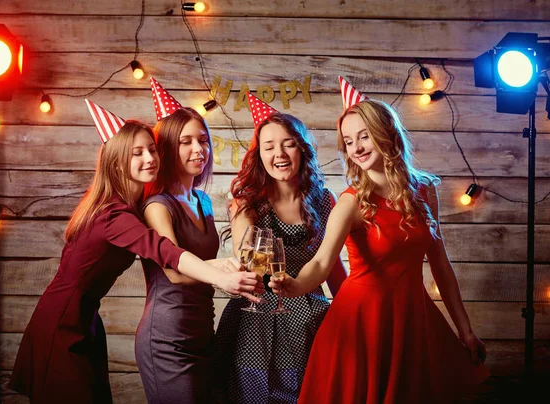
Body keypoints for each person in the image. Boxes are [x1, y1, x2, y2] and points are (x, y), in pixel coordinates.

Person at [8, 100, 261, 404]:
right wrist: (223, 276)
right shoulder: (113, 215)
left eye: (151, 150)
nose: (149, 158)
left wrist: (224, 263)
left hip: (87, 319)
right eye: (136, 153)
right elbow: (167, 253)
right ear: (116, 163)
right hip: (61, 323)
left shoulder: (131, 207)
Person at [271, 78, 490, 403]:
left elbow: (441, 265)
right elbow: (320, 262)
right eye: (348, 140)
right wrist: (294, 285)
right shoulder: (351, 202)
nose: (356, 147)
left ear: (387, 132)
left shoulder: (425, 190)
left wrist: (465, 330)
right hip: (362, 322)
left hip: (413, 318)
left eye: (364, 135)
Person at [214, 92, 348, 404]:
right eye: (269, 146)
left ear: (302, 148)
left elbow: (331, 268)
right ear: (258, 155)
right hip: (255, 323)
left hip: (309, 321)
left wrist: (352, 315)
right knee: (251, 395)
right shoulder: (247, 202)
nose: (279, 153)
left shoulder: (325, 200)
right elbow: (246, 258)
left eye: (288, 143)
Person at [135, 78, 258, 404]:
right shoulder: (157, 205)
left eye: (203, 140)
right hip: (166, 337)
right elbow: (174, 271)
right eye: (185, 142)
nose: (198, 149)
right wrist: (223, 270)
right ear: (167, 149)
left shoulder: (202, 200)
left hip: (203, 330)